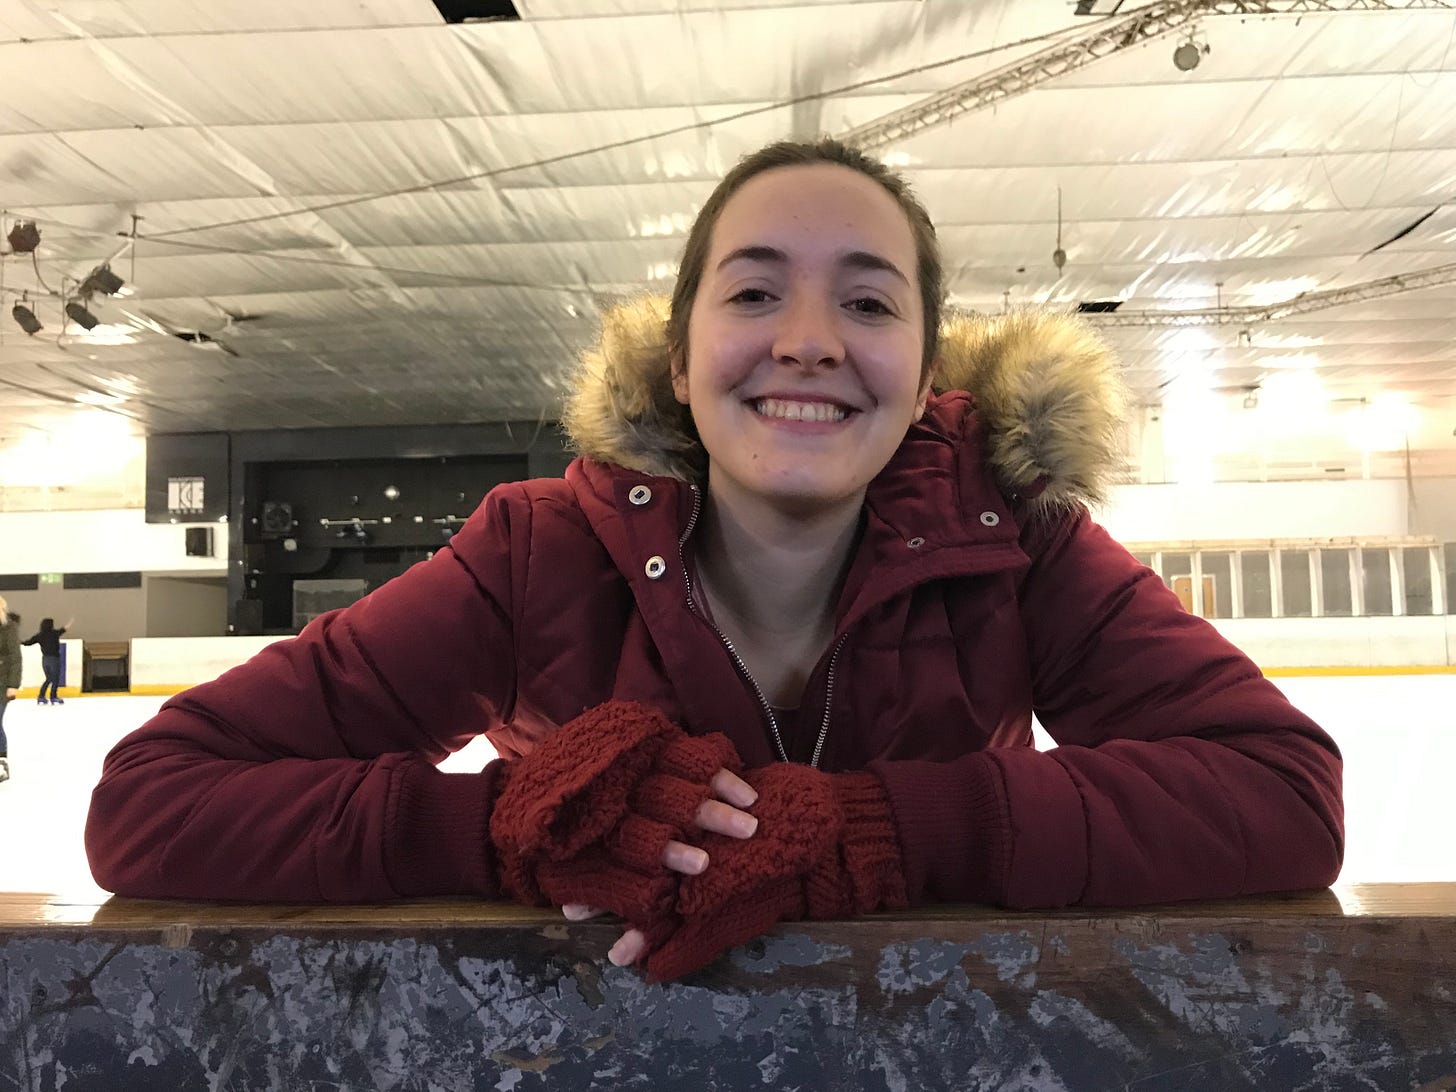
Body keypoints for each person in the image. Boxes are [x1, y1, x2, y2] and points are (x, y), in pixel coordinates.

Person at [85, 138, 1343, 980]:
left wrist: (891, 832)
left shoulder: (1018, 541)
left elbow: (1283, 792)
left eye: (867, 301)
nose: (806, 340)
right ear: (679, 366)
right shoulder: (538, 554)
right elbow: (153, 801)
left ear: (920, 377)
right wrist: (511, 830)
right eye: (750, 295)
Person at [22, 616, 72, 705]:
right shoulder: (54, 633)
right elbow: (64, 629)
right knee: (55, 679)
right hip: (54, 659)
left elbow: (27, 643)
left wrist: (17, 641)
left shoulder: (40, 635)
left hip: (45, 659)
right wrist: (71, 621)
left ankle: (41, 696)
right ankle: (53, 697)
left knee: (49, 679)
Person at [0, 597, 20, 783]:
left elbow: (15, 657)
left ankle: (2, 761)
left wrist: (13, 684)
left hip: (2, 684)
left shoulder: (8, 628)